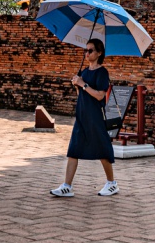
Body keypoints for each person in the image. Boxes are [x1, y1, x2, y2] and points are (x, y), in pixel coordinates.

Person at [50, 39, 118, 197]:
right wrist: (77, 85)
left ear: (99, 53)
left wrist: (83, 84)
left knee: (102, 150)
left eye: (90, 50)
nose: (87, 53)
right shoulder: (84, 72)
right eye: (85, 50)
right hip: (82, 115)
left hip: (95, 117)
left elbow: (100, 95)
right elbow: (81, 95)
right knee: (73, 150)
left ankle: (112, 183)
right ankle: (67, 186)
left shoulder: (102, 73)